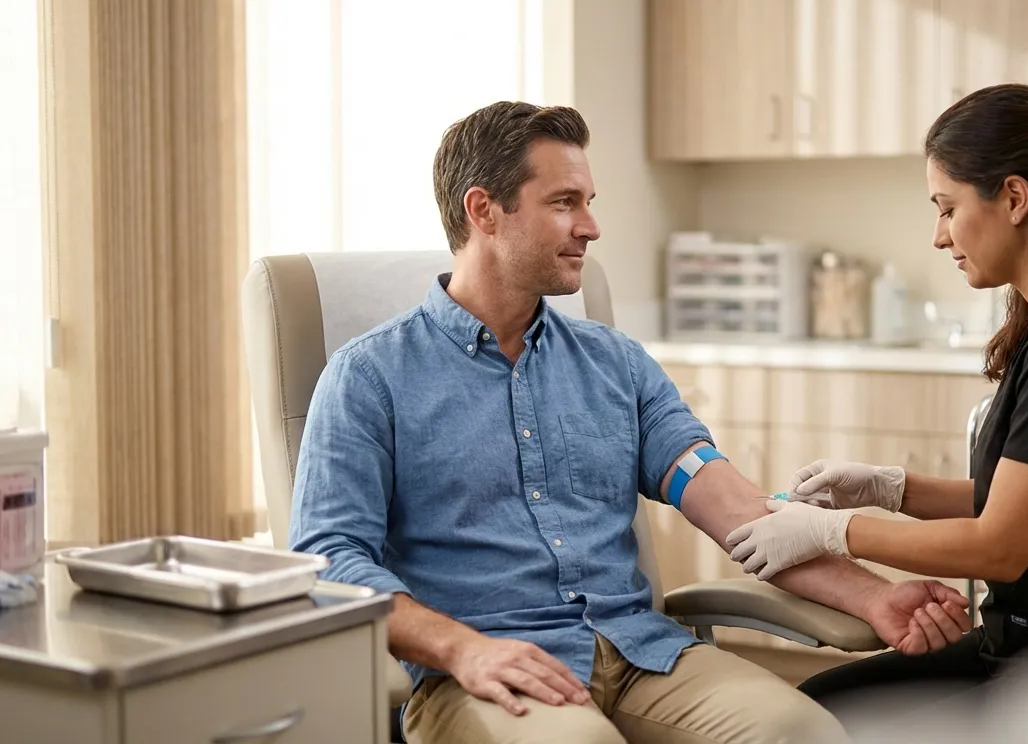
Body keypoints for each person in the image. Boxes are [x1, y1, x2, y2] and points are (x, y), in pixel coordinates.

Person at [288, 100, 973, 744]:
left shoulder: (615, 365)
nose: (591, 226)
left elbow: (736, 512)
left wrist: (876, 598)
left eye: (588, 203)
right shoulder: (371, 377)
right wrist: (462, 648)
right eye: (564, 203)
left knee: (802, 733)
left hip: (641, 652)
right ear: (483, 211)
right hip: (486, 668)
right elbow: (330, 562)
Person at [723, 84, 1028, 739]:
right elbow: (1021, 497)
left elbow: (1002, 546)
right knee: (805, 717)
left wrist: (833, 531)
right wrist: (891, 488)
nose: (938, 236)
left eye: (947, 207)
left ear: (1014, 198)